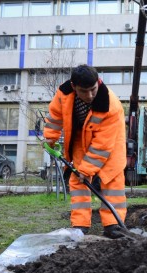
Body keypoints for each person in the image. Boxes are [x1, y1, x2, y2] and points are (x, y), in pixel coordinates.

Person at [43, 64, 127, 239]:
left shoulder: (110, 104)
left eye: (93, 90)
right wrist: (50, 138)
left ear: (98, 82)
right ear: (74, 87)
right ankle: (80, 225)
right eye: (84, 91)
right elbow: (54, 116)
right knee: (78, 180)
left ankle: (113, 225)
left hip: (110, 143)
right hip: (80, 138)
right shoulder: (64, 93)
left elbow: (102, 145)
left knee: (112, 181)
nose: (90, 96)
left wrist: (87, 170)